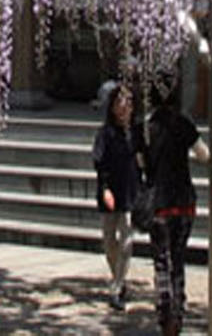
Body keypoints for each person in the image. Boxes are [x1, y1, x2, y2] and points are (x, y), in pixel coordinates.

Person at [139, 82, 209, 336]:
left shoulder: (145, 128)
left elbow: (141, 163)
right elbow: (204, 155)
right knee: (178, 259)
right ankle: (177, 312)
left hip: (158, 205)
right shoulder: (183, 124)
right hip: (184, 202)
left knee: (161, 262)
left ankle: (164, 311)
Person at [91, 81, 139, 311]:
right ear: (112, 106)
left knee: (127, 241)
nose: (124, 106)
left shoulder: (137, 133)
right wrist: (105, 188)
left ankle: (116, 287)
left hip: (131, 191)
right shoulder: (105, 133)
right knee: (109, 242)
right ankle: (118, 278)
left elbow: (143, 161)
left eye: (129, 102)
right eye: (120, 101)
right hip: (110, 191)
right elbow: (99, 163)